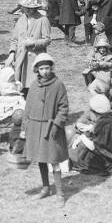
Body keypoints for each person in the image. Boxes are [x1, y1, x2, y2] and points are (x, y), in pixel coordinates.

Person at [22, 53, 70, 202]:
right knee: (41, 159)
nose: (45, 71)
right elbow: (28, 106)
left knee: (54, 160)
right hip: (36, 127)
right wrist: (25, 126)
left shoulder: (58, 85)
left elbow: (64, 107)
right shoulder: (34, 85)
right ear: (37, 69)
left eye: (47, 68)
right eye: (41, 68)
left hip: (51, 129)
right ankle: (45, 188)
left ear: (51, 68)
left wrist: (57, 124)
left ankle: (60, 192)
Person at [4, 0, 51, 96]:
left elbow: (47, 40)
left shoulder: (43, 20)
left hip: (34, 58)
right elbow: (14, 39)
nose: (28, 10)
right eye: (26, 8)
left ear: (37, 8)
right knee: (20, 88)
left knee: (34, 88)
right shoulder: (21, 19)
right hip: (21, 58)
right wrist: (12, 53)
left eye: (31, 8)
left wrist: (33, 43)